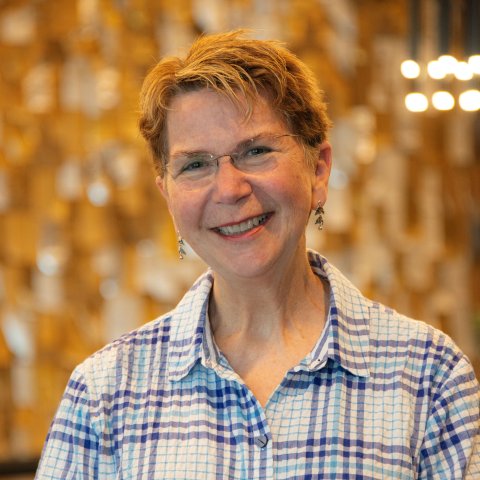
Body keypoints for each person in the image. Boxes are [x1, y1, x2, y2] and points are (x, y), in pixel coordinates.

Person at [35, 30, 479, 479]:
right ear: (167, 196)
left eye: (256, 151)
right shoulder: (104, 394)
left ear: (318, 170)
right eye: (195, 164)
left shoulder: (428, 377)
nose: (229, 189)